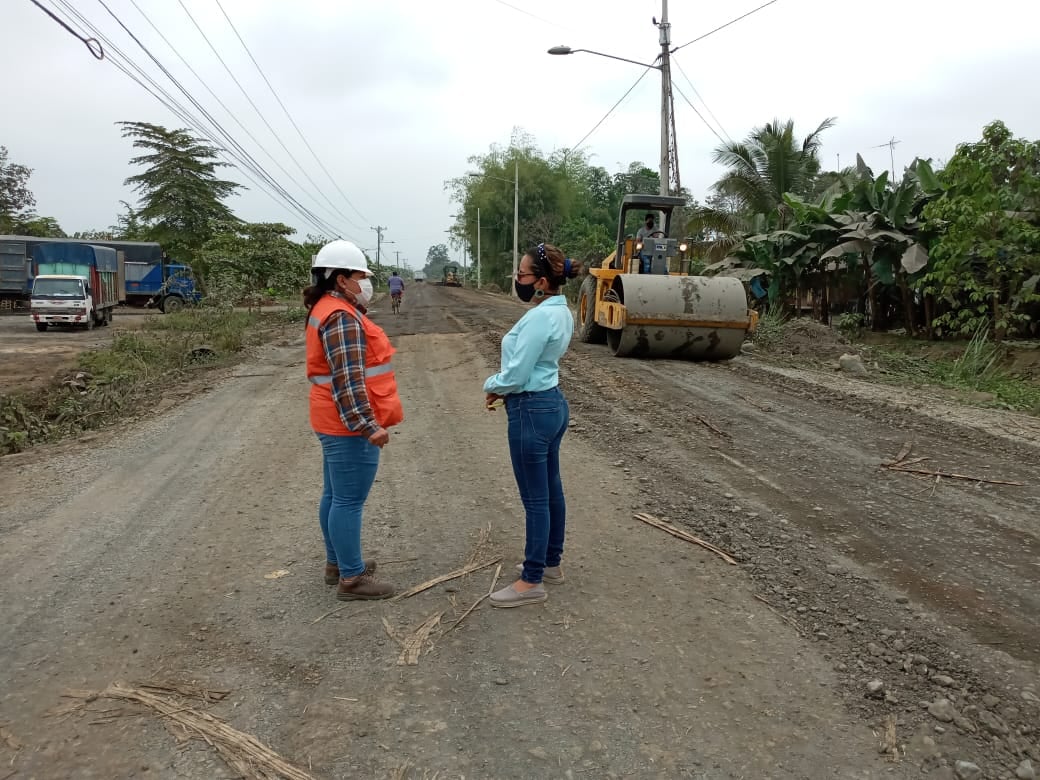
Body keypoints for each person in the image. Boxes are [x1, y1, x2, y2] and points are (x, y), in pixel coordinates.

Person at [483, 243, 583, 608]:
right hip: (551, 403)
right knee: (551, 490)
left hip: (530, 409)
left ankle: (531, 580)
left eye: (522, 274)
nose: (517, 279)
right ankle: (550, 562)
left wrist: (492, 385)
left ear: (541, 282)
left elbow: (517, 373)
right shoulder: (561, 311)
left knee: (536, 499)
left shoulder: (540, 318)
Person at [304, 240, 404, 601]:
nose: (366, 283)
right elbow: (348, 380)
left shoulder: (327, 308)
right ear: (341, 279)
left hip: (330, 418)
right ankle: (351, 578)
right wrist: (368, 426)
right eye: (361, 276)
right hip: (346, 425)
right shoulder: (341, 317)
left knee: (335, 495)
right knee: (347, 501)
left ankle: (338, 563)